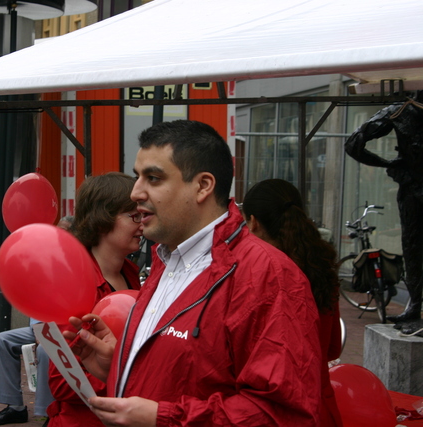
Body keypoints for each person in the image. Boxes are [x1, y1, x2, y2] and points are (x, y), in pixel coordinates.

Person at [67, 120, 321, 426]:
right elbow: (193, 373)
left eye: (154, 178)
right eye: (137, 177)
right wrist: (121, 365)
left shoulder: (268, 275)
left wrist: (162, 418)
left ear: (202, 186)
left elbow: (281, 413)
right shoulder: (167, 259)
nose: (136, 192)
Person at [242, 178, 342, 427]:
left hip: (273, 410)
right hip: (320, 406)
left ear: (253, 223)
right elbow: (332, 348)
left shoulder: (258, 275)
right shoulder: (321, 265)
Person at [47, 172, 143, 427]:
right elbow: (61, 380)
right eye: (134, 216)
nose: (142, 224)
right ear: (102, 220)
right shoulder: (73, 284)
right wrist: (129, 385)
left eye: (143, 214)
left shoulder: (133, 275)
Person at [345, 91, 423, 334]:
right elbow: (354, 143)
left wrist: (389, 164)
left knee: (413, 247)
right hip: (413, 189)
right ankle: (415, 306)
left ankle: (415, 306)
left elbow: (354, 143)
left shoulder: (403, 109)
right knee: (412, 247)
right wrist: (388, 163)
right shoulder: (402, 109)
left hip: (413, 188)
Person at [0, 216, 74, 426]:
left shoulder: (75, 263)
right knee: (3, 340)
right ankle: (14, 407)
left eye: (63, 232)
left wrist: (44, 337)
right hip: (43, 326)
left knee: (46, 350)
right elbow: (37, 300)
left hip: (67, 329)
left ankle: (47, 413)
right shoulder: (48, 260)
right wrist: (38, 330)